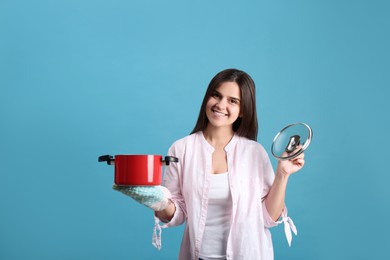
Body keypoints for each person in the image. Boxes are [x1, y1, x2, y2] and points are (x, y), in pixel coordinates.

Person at [114, 68, 305, 260]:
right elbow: (178, 213)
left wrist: (282, 173)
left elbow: (268, 218)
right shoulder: (181, 149)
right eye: (216, 95)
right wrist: (157, 201)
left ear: (242, 111)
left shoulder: (255, 152)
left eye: (233, 101)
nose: (221, 105)